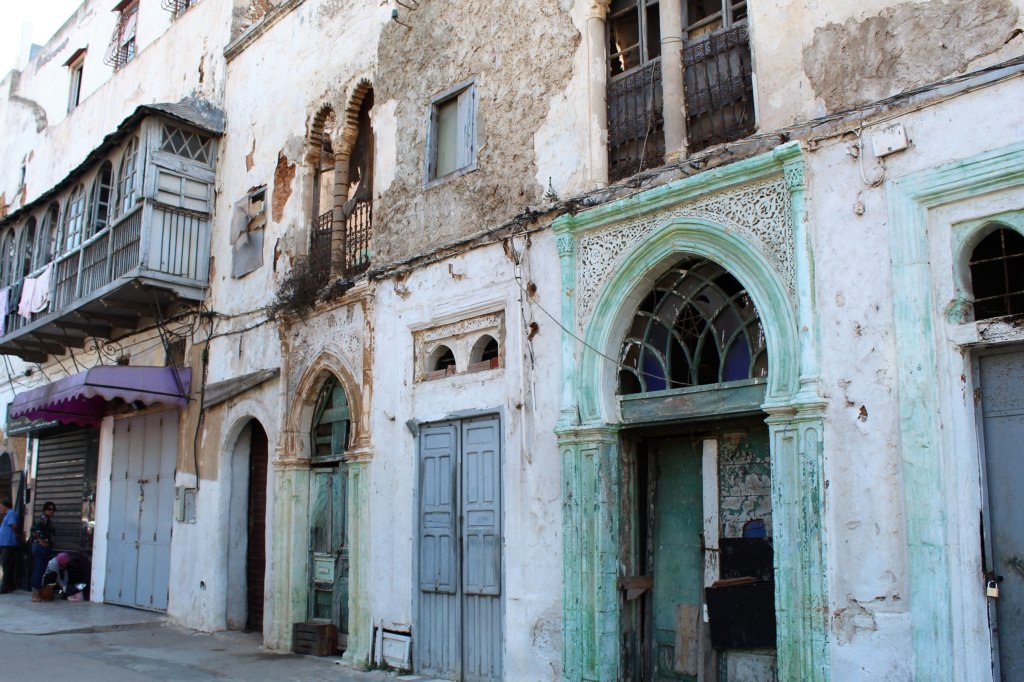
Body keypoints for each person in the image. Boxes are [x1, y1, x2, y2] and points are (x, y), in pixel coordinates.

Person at [30, 501, 56, 602]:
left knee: (39, 570)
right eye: (49, 509)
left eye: (53, 509)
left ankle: (35, 594)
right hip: (40, 548)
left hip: (40, 548)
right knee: (39, 571)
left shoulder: (46, 519)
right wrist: (41, 542)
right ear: (45, 509)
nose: (51, 511)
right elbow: (35, 530)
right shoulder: (44, 518)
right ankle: (35, 596)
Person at [0, 498, 20, 593]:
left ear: (5, 506)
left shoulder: (11, 513)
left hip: (9, 544)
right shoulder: (8, 514)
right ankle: (10, 585)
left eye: (1, 506)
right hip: (5, 544)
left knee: (6, 565)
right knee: (7, 565)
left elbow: (14, 526)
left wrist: (16, 534)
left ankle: (5, 587)